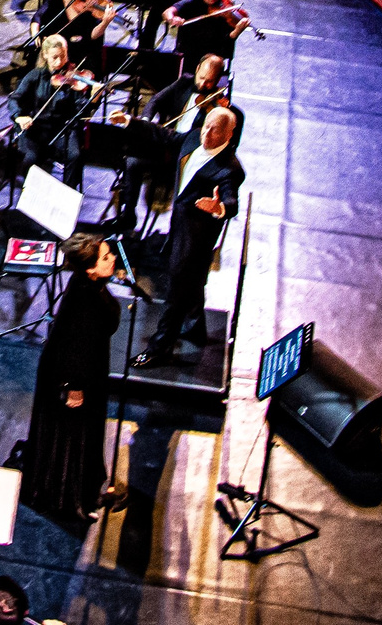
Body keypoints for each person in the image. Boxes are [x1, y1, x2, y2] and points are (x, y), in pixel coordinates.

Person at [21, 232, 121, 521]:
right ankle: (69, 497)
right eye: (105, 257)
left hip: (86, 371)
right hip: (72, 378)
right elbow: (74, 350)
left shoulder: (89, 282)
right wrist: (75, 389)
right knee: (72, 436)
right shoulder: (84, 302)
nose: (112, 257)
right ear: (90, 269)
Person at [138, 107, 244, 367]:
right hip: (179, 225)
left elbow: (232, 200)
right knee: (193, 283)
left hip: (195, 239)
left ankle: (159, 349)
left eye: (214, 130)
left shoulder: (230, 169)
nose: (206, 133)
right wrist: (132, 122)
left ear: (230, 134)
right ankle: (195, 328)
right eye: (206, 126)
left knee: (176, 290)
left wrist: (219, 208)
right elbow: (168, 136)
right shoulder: (194, 136)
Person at [110, 52, 233, 226]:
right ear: (197, 69)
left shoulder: (217, 105)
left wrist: (218, 111)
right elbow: (156, 100)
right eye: (202, 78)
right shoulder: (185, 81)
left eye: (210, 81)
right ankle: (128, 217)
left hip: (187, 155)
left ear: (218, 79)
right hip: (164, 141)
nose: (204, 84)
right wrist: (146, 121)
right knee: (132, 162)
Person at [11, 34, 94, 189]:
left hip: (63, 129)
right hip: (37, 129)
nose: (59, 62)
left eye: (63, 57)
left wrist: (93, 99)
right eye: (54, 57)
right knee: (30, 159)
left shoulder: (72, 78)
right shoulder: (35, 76)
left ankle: (67, 195)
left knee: (74, 156)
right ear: (45, 55)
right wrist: (19, 117)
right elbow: (15, 99)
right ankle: (31, 197)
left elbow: (81, 109)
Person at [163, 0, 248, 70]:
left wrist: (231, 19)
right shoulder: (191, 3)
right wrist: (172, 19)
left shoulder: (225, 8)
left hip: (213, 56)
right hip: (188, 53)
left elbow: (227, 41)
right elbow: (168, 12)